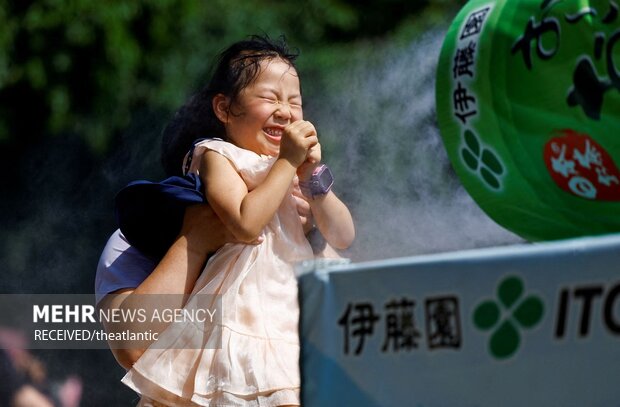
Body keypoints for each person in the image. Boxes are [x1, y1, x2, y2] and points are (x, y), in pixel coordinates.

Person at [119, 35, 355, 406]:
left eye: (295, 102)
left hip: (296, 298)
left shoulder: (294, 168)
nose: (285, 111)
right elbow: (245, 223)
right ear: (225, 109)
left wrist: (315, 179)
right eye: (270, 98)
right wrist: (288, 164)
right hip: (246, 304)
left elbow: (342, 236)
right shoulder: (219, 155)